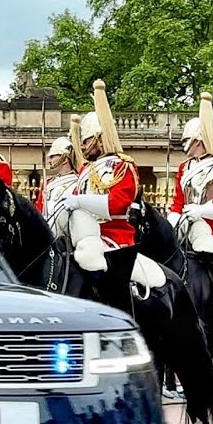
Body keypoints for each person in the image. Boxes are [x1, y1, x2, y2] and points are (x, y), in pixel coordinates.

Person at [51, 79, 163, 312]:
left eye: (86, 141)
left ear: (99, 139)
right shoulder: (85, 171)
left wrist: (80, 201)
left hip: (114, 239)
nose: (82, 148)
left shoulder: (122, 165)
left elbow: (118, 206)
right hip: (81, 238)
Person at [167, 92, 213, 255]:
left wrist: (201, 211)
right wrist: (170, 224)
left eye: (186, 140)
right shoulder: (184, 168)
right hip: (184, 225)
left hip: (212, 230)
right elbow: (178, 202)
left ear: (197, 141)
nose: (183, 143)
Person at [35, 130, 81, 222]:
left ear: (64, 159)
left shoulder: (78, 183)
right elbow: (39, 209)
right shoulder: (48, 183)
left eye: (52, 157)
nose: (49, 161)